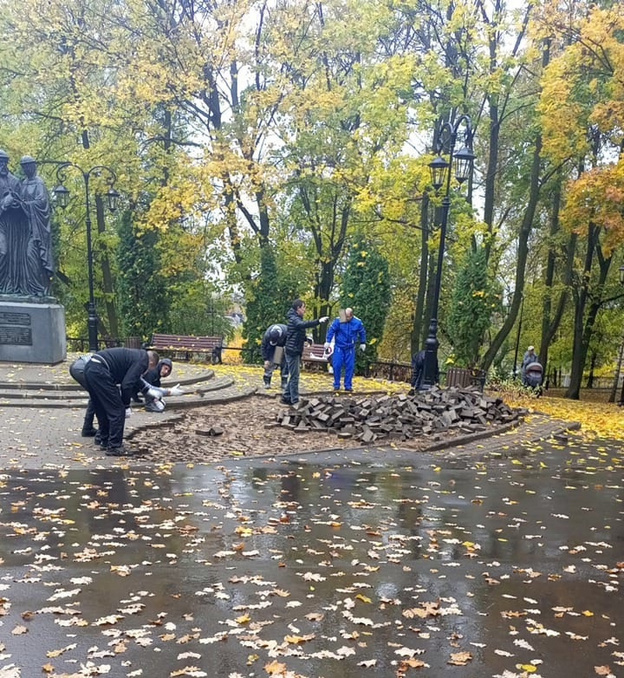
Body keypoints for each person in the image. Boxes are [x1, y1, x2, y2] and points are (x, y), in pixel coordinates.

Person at [80, 347, 162, 456]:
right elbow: (127, 385)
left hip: (90, 368)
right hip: (100, 371)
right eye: (149, 369)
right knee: (118, 411)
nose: (146, 372)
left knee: (102, 407)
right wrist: (126, 405)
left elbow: (134, 378)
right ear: (151, 362)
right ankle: (114, 446)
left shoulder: (135, 355)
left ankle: (104, 440)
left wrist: (148, 391)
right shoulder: (143, 360)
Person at [283, 300, 328, 406]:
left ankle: (286, 396)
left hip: (295, 349)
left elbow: (296, 332)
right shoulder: (294, 319)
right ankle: (294, 400)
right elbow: (301, 325)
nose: (305, 309)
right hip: (292, 351)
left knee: (295, 375)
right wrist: (318, 321)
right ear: (298, 308)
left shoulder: (296, 317)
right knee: (295, 376)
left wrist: (306, 338)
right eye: (303, 307)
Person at [20, 156, 54, 296]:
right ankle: (29, 288)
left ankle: (39, 289)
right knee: (25, 259)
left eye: (28, 166)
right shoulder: (24, 183)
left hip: (37, 228)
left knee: (32, 256)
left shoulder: (39, 183)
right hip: (26, 228)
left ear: (34, 166)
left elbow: (41, 203)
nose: (26, 169)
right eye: (24, 167)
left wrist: (26, 204)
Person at [324, 308, 366, 392]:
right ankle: (336, 384)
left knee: (350, 367)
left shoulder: (357, 322)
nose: (345, 318)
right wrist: (328, 341)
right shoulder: (339, 319)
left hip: (350, 348)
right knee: (337, 365)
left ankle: (348, 385)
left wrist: (363, 342)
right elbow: (332, 330)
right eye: (345, 316)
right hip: (339, 346)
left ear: (351, 316)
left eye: (347, 317)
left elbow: (362, 332)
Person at [261, 323, 288, 390]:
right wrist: (266, 359)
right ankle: (267, 382)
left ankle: (284, 382)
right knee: (270, 364)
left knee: (284, 364)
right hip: (271, 348)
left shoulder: (286, 332)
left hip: (282, 347)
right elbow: (263, 347)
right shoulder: (267, 335)